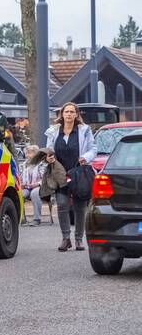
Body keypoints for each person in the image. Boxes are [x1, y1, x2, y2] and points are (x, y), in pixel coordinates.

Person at [43, 101, 97, 252]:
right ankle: (66, 238)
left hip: (78, 172)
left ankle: (79, 239)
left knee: (80, 207)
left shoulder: (84, 130)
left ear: (76, 115)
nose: (69, 114)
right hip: (60, 174)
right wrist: (49, 157)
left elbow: (93, 148)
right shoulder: (53, 131)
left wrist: (85, 157)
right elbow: (49, 150)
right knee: (61, 204)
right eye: (66, 112)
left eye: (72, 112)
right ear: (62, 114)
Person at [20, 144, 43, 226]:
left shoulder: (41, 164)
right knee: (19, 195)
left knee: (34, 193)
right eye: (26, 153)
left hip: (39, 187)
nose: (27, 155)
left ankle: (37, 219)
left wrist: (37, 184)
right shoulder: (23, 165)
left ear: (35, 154)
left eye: (29, 153)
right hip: (27, 187)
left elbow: (45, 178)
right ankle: (22, 219)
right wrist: (21, 184)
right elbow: (20, 177)